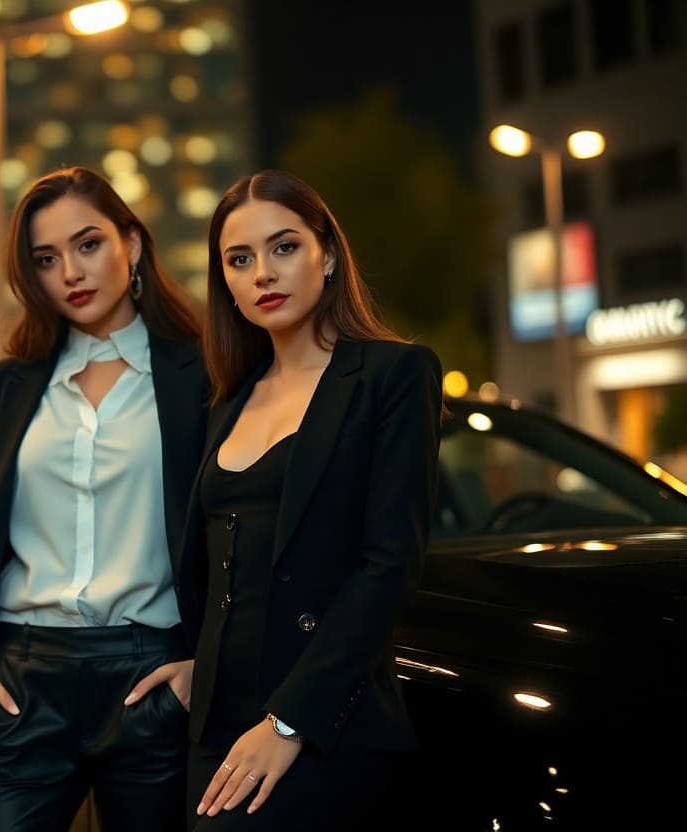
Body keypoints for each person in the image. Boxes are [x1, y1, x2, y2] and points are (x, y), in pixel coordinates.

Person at [0, 165, 207, 832]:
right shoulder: (5, 387)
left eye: (88, 245)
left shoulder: (203, 373)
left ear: (133, 245)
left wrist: (203, 673)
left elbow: (242, 537)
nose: (71, 273)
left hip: (153, 679)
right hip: (21, 682)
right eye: (47, 259)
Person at [183, 169, 443, 830]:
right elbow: (207, 562)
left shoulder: (391, 374)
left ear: (326, 254)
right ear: (227, 284)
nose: (263, 273)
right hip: (215, 729)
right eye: (240, 260)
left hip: (323, 726)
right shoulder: (227, 398)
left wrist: (290, 721)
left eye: (284, 247)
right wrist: (185, 661)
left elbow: (389, 563)